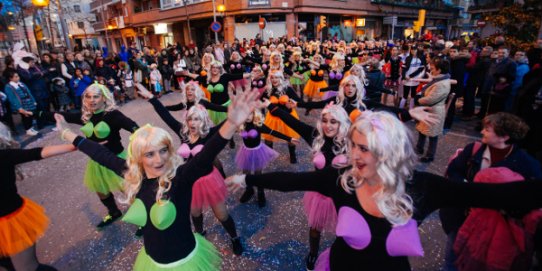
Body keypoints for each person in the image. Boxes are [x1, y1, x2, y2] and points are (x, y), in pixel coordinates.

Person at [226, 110, 542, 271]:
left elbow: (497, 197)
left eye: (363, 148)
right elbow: (291, 182)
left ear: (388, 151)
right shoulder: (341, 180)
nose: (353, 155)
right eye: (352, 146)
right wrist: (247, 180)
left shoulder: (423, 187)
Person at [57, 89, 260, 270]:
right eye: (149, 154)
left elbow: (208, 154)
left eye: (163, 151)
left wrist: (232, 123)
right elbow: (100, 154)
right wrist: (67, 134)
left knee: (220, 213)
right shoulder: (133, 175)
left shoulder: (181, 178)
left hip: (184, 261)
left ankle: (234, 237)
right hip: (152, 262)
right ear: (139, 157)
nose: (159, 159)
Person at [440, 112, 542, 271]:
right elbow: (454, 171)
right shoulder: (473, 149)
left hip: (495, 228)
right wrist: (465, 187)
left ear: (504, 137)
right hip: (461, 218)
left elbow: (531, 197)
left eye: (487, 129)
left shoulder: (527, 165)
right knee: (453, 256)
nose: (481, 132)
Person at [40, 83, 139, 230]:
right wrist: (38, 114)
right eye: (88, 97)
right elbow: (62, 115)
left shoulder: (113, 115)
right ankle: (114, 212)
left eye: (96, 97)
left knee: (128, 191)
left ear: (104, 99)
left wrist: (135, 144)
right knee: (101, 191)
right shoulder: (86, 116)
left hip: (115, 159)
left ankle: (142, 219)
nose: (92, 100)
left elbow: (135, 128)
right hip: (96, 162)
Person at [0, 122, 75, 271]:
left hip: (12, 222)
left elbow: (39, 152)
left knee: (26, 268)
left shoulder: (4, 156)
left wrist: (77, 144)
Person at [415, 57, 451, 163]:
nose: (431, 70)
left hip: (434, 111)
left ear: (439, 70)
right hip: (429, 110)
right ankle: (419, 148)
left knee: (432, 135)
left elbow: (431, 99)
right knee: (422, 131)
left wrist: (419, 100)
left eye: (433, 68)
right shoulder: (440, 79)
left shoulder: (442, 84)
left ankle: (430, 155)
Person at [3, 70, 39, 136]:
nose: (18, 78)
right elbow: (12, 98)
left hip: (28, 101)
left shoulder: (21, 83)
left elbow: (29, 92)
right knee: (25, 116)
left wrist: (33, 100)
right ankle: (28, 129)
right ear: (11, 78)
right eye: (16, 77)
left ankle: (31, 127)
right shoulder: (8, 87)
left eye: (18, 76)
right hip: (21, 104)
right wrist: (18, 107)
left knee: (31, 114)